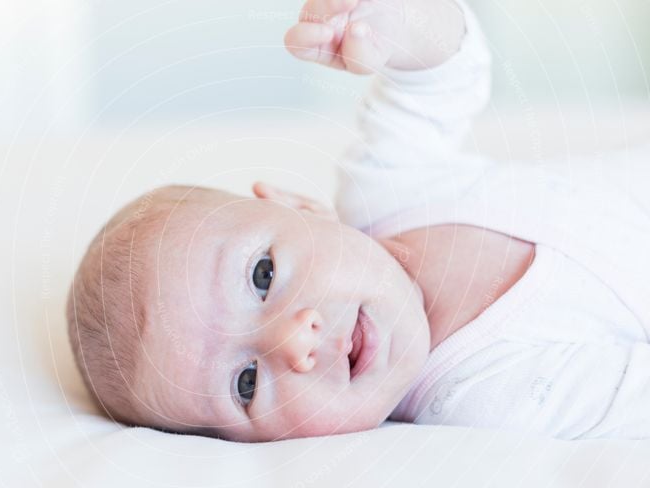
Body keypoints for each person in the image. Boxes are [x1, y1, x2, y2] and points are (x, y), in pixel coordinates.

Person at [67, 0, 650, 442]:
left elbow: (444, 73)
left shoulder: (388, 187)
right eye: (245, 385)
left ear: (299, 207)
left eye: (263, 275)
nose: (295, 338)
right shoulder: (484, 397)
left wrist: (388, 25)